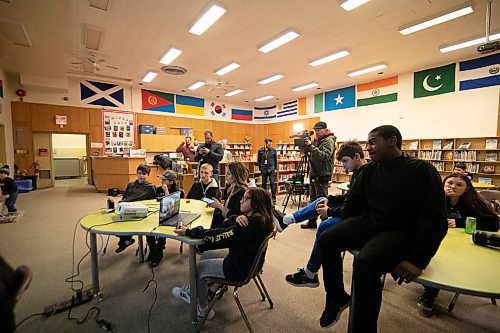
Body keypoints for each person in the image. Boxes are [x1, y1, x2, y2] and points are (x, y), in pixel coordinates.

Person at [317, 125, 448, 332]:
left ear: (392, 141)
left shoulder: (421, 170)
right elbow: (353, 207)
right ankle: (337, 298)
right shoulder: (369, 170)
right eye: (367, 143)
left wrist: (418, 260)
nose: (368, 148)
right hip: (371, 223)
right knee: (327, 237)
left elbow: (435, 219)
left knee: (365, 263)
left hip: (401, 231)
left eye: (373, 142)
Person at [171, 187, 274, 320]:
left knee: (199, 268)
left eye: (245, 198)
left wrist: (190, 232)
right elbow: (231, 226)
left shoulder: (248, 225)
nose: (241, 201)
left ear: (255, 203)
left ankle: (202, 309)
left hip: (239, 269)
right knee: (207, 255)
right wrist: (237, 217)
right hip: (250, 263)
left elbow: (220, 236)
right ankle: (196, 291)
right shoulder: (259, 219)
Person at [278, 140, 367, 287]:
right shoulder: (358, 172)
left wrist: (330, 211)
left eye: (345, 161)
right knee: (321, 199)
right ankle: (287, 219)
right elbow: (350, 198)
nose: (343, 165)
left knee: (326, 225)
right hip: (352, 211)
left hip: (357, 217)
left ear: (357, 156)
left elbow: (356, 207)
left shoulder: (365, 174)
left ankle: (310, 273)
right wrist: (329, 199)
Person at [417, 173, 499, 314]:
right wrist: (440, 198)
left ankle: (431, 292)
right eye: (450, 183)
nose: (453, 187)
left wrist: (460, 223)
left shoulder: (473, 202)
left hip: (463, 245)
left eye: (459, 184)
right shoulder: (436, 199)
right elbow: (419, 216)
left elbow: (494, 224)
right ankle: (431, 291)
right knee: (432, 257)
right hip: (440, 240)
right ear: (443, 185)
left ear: (466, 189)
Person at [300, 121, 336, 229]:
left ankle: (325, 223)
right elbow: (309, 153)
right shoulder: (317, 140)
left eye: (319, 130)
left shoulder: (328, 141)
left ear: (325, 130)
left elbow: (324, 156)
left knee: (321, 199)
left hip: (322, 173)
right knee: (313, 198)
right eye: (315, 130)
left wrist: (312, 146)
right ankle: (312, 221)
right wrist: (306, 145)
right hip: (314, 172)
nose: (316, 132)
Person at [146, 170, 184, 268]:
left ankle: (158, 252)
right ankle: (152, 249)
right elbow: (153, 202)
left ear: (171, 182)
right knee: (148, 227)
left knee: (163, 228)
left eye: (164, 180)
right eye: (161, 179)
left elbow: (173, 207)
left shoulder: (178, 191)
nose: (162, 181)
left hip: (170, 216)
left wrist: (166, 192)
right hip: (156, 214)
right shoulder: (158, 189)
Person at [115, 164, 157, 253]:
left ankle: (151, 250)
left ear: (147, 175)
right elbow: (124, 197)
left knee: (146, 228)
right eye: (139, 173)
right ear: (136, 173)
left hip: (140, 211)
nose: (141, 176)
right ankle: (126, 240)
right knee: (116, 224)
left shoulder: (150, 187)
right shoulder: (130, 185)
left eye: (144, 174)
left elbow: (153, 202)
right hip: (127, 208)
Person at [207, 161, 249, 229]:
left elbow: (235, 217)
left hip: (230, 227)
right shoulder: (229, 189)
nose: (225, 176)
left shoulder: (242, 192)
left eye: (228, 174)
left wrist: (219, 205)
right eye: (226, 173)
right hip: (225, 222)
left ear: (236, 175)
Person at [257, 138, 278, 205]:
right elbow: (259, 160)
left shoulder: (273, 150)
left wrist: (275, 168)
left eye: (271, 144)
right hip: (264, 169)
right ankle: (264, 198)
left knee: (272, 183)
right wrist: (260, 168)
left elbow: (275, 160)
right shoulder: (260, 150)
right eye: (269, 144)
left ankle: (273, 198)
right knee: (264, 184)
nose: (270, 145)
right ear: (265, 144)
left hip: (271, 168)